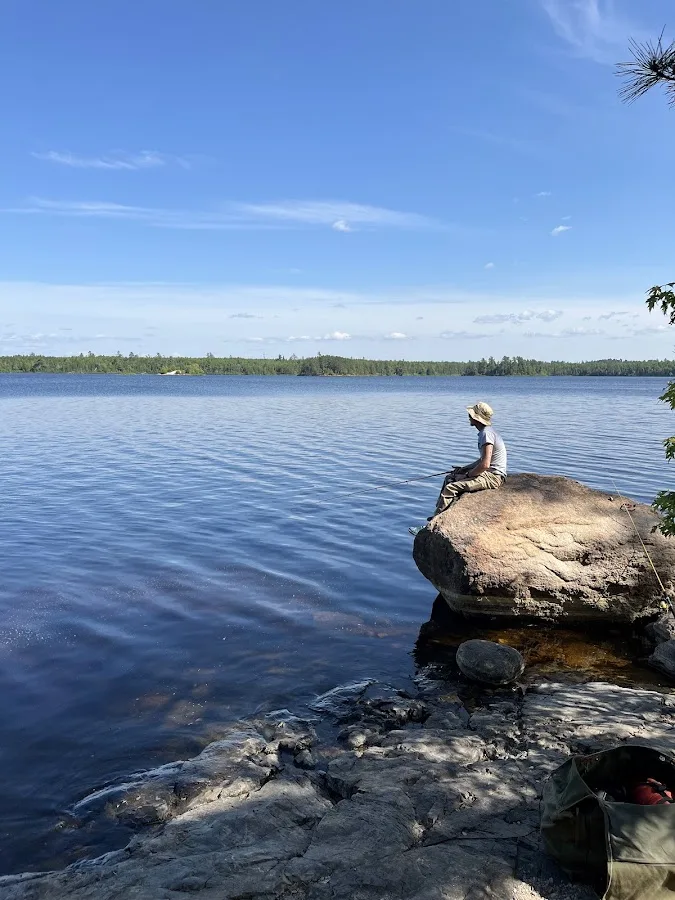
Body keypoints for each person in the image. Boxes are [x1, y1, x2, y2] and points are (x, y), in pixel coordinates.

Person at [409, 401, 507, 535]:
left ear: (476, 418)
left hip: (493, 477)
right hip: (490, 473)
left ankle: (430, 529)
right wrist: (463, 469)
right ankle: (438, 514)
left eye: (471, 414)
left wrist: (466, 476)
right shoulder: (487, 432)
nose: (468, 416)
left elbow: (485, 464)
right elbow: (481, 460)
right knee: (449, 478)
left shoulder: (486, 434)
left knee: (451, 487)